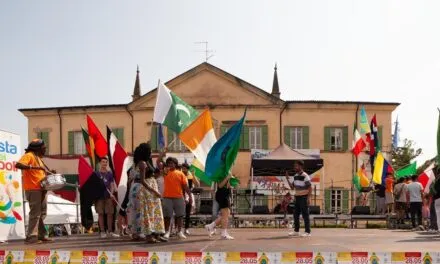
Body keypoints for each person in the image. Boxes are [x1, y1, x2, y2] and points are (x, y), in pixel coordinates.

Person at [15, 139, 54, 244]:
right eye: (44, 147)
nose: (45, 149)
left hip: (41, 189)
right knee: (35, 213)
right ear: (38, 148)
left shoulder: (39, 158)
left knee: (42, 213)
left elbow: (39, 173)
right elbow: (18, 165)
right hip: (33, 189)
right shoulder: (29, 155)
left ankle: (41, 235)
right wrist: (35, 167)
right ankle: (31, 237)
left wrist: (50, 173)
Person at [127, 143, 163, 243]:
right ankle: (147, 235)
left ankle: (137, 234)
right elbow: (143, 180)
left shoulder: (140, 162)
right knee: (145, 212)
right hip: (142, 189)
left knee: (138, 212)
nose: (151, 152)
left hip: (138, 188)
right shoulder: (142, 163)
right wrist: (155, 191)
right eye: (150, 151)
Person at [162, 157, 192, 239]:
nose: (170, 164)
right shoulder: (165, 172)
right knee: (167, 216)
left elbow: (185, 186)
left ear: (175, 164)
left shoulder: (180, 173)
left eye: (172, 163)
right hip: (167, 197)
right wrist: (162, 155)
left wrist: (190, 196)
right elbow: (158, 162)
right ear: (167, 164)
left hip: (179, 197)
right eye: (169, 163)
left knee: (180, 216)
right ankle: (167, 232)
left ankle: (179, 232)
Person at [285, 160, 312, 237]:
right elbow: (292, 187)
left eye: (296, 166)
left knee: (305, 215)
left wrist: (308, 198)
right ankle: (296, 231)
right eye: (294, 166)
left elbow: (310, 188)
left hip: (304, 197)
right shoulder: (295, 176)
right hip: (297, 197)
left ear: (300, 166)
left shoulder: (305, 176)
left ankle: (308, 232)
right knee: (295, 214)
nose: (294, 167)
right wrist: (287, 179)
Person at [93, 157, 119, 238]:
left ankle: (110, 231)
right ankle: (102, 232)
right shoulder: (96, 174)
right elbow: (94, 185)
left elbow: (111, 184)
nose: (104, 163)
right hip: (99, 197)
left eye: (106, 162)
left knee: (110, 214)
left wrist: (111, 193)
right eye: (103, 162)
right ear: (100, 163)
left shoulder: (109, 174)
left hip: (108, 196)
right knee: (100, 214)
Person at [205, 174, 234, 240]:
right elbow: (220, 185)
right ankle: (223, 234)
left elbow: (227, 185)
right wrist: (227, 177)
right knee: (225, 215)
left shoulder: (226, 172)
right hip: (222, 195)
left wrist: (230, 182)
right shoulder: (221, 172)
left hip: (225, 195)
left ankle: (211, 226)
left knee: (226, 214)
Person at [182, 163, 199, 235]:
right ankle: (177, 229)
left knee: (188, 213)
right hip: (180, 195)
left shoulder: (190, 175)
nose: (183, 170)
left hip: (189, 195)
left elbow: (197, 184)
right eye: (182, 168)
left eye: (184, 168)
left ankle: (186, 229)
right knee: (179, 213)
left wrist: (193, 175)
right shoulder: (180, 174)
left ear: (187, 169)